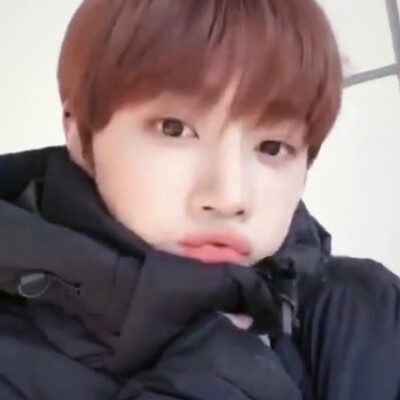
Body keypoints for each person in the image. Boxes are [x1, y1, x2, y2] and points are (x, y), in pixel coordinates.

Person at [0, 0, 399, 399]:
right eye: (174, 129)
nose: (229, 197)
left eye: (273, 147)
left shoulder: (369, 314)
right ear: (80, 134)